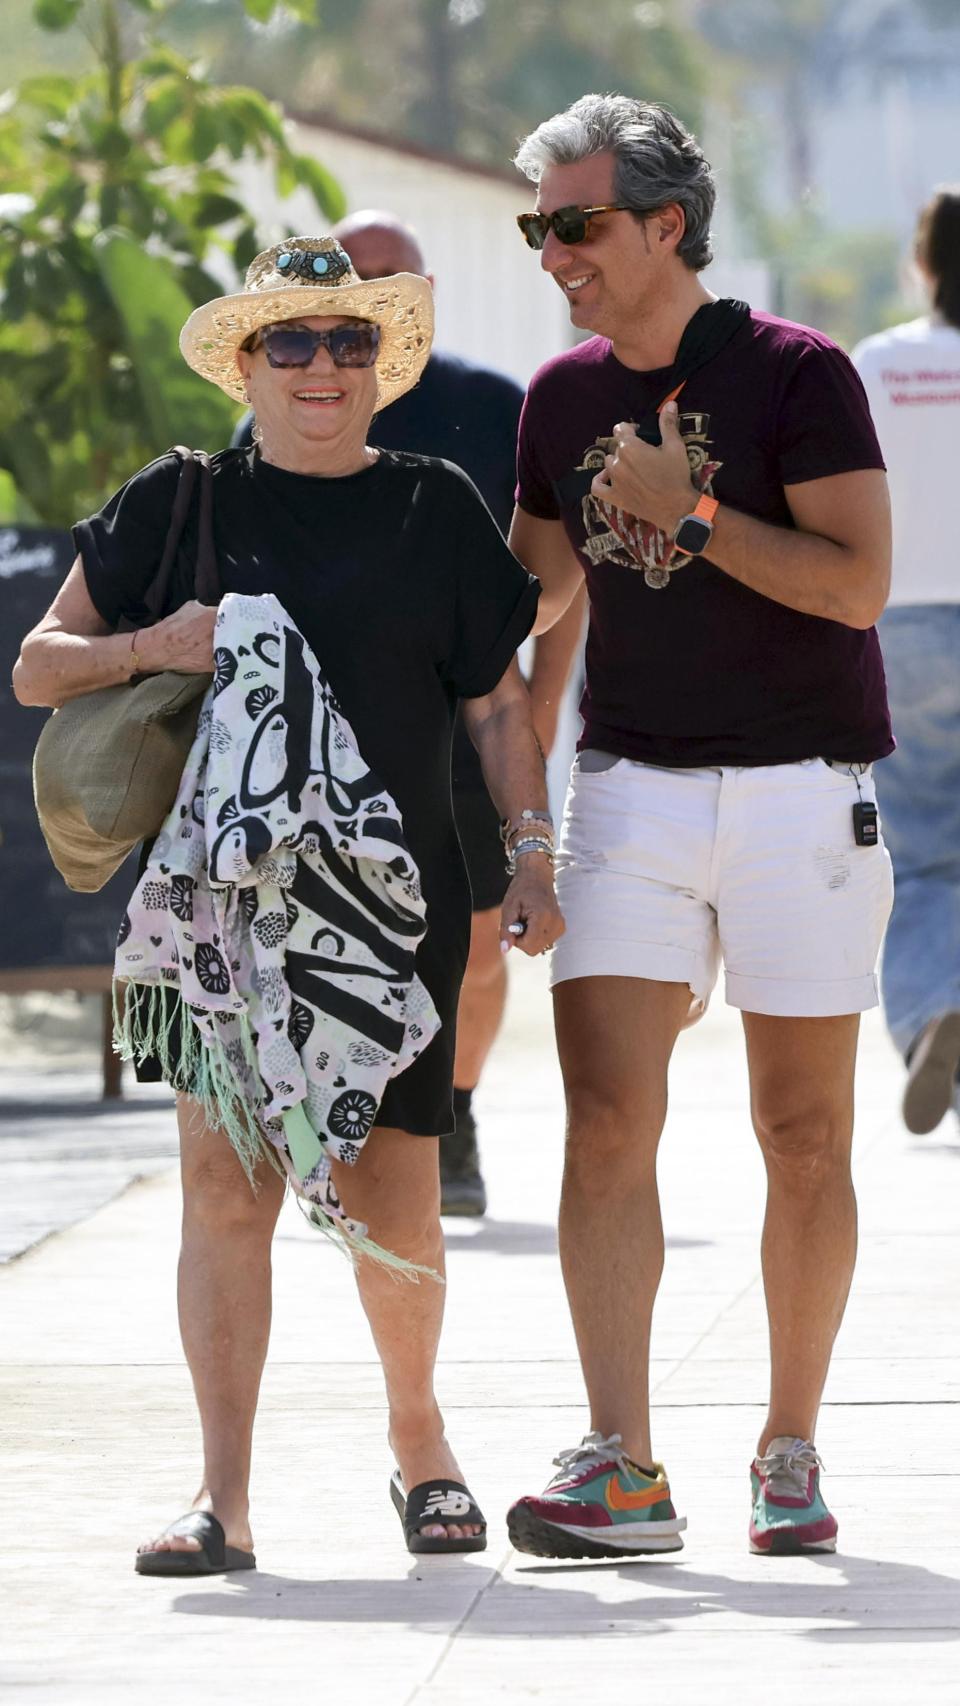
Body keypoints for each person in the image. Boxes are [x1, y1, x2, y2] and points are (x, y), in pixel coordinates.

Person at [13, 234, 563, 1573]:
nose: (325, 368)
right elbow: (40, 666)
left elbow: (497, 704)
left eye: (350, 342)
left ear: (381, 363)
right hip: (217, 916)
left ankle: (422, 1442)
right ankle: (223, 1497)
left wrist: (535, 854)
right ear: (248, 361)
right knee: (226, 1189)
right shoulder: (180, 501)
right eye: (295, 343)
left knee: (394, 1192)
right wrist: (159, 641)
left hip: (394, 909)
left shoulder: (436, 505)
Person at [503, 94, 894, 1560]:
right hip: (635, 791)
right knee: (605, 1115)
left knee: (802, 1135)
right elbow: (532, 598)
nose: (555, 253)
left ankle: (789, 1444)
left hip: (805, 790)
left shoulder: (804, 375)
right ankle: (624, 1463)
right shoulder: (556, 399)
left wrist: (699, 511)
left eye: (578, 224)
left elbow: (859, 585)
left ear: (668, 224)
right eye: (537, 227)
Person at [236, 210, 584, 1218]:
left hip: (465, 729)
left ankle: (456, 1109)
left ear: (419, 299)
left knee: (476, 948)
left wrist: (546, 700)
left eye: (385, 288)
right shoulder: (276, 409)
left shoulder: (493, 407)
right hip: (309, 749)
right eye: (346, 285)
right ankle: (333, 1119)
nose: (341, 342)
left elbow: (558, 574)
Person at [852, 187, 960, 1137]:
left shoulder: (878, 366)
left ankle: (933, 1010)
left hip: (905, 622)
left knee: (921, 854)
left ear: (923, 265)